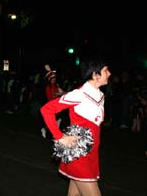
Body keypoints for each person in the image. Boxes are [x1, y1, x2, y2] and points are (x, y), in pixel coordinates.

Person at [40, 60, 111, 196]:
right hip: (79, 155)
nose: (109, 73)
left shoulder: (99, 94)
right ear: (96, 75)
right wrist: (59, 136)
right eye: (105, 71)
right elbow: (46, 109)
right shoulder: (79, 93)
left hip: (92, 154)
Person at [40, 64, 64, 138]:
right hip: (50, 105)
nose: (54, 79)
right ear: (49, 79)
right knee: (52, 120)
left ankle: (55, 133)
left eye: (55, 78)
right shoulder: (48, 87)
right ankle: (44, 129)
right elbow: (49, 98)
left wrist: (61, 93)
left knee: (59, 119)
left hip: (56, 105)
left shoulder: (56, 85)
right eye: (53, 79)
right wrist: (57, 95)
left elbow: (60, 93)